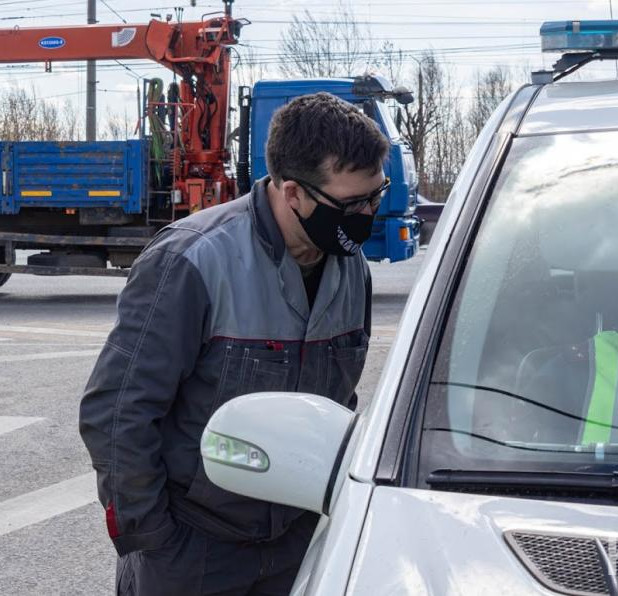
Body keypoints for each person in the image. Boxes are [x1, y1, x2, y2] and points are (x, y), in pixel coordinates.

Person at [79, 92, 389, 595]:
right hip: (192, 551)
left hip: (299, 543)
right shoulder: (191, 262)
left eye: (376, 195)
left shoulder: (350, 268)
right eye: (354, 204)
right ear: (293, 193)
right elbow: (116, 413)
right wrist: (156, 539)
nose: (369, 214)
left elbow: (337, 405)